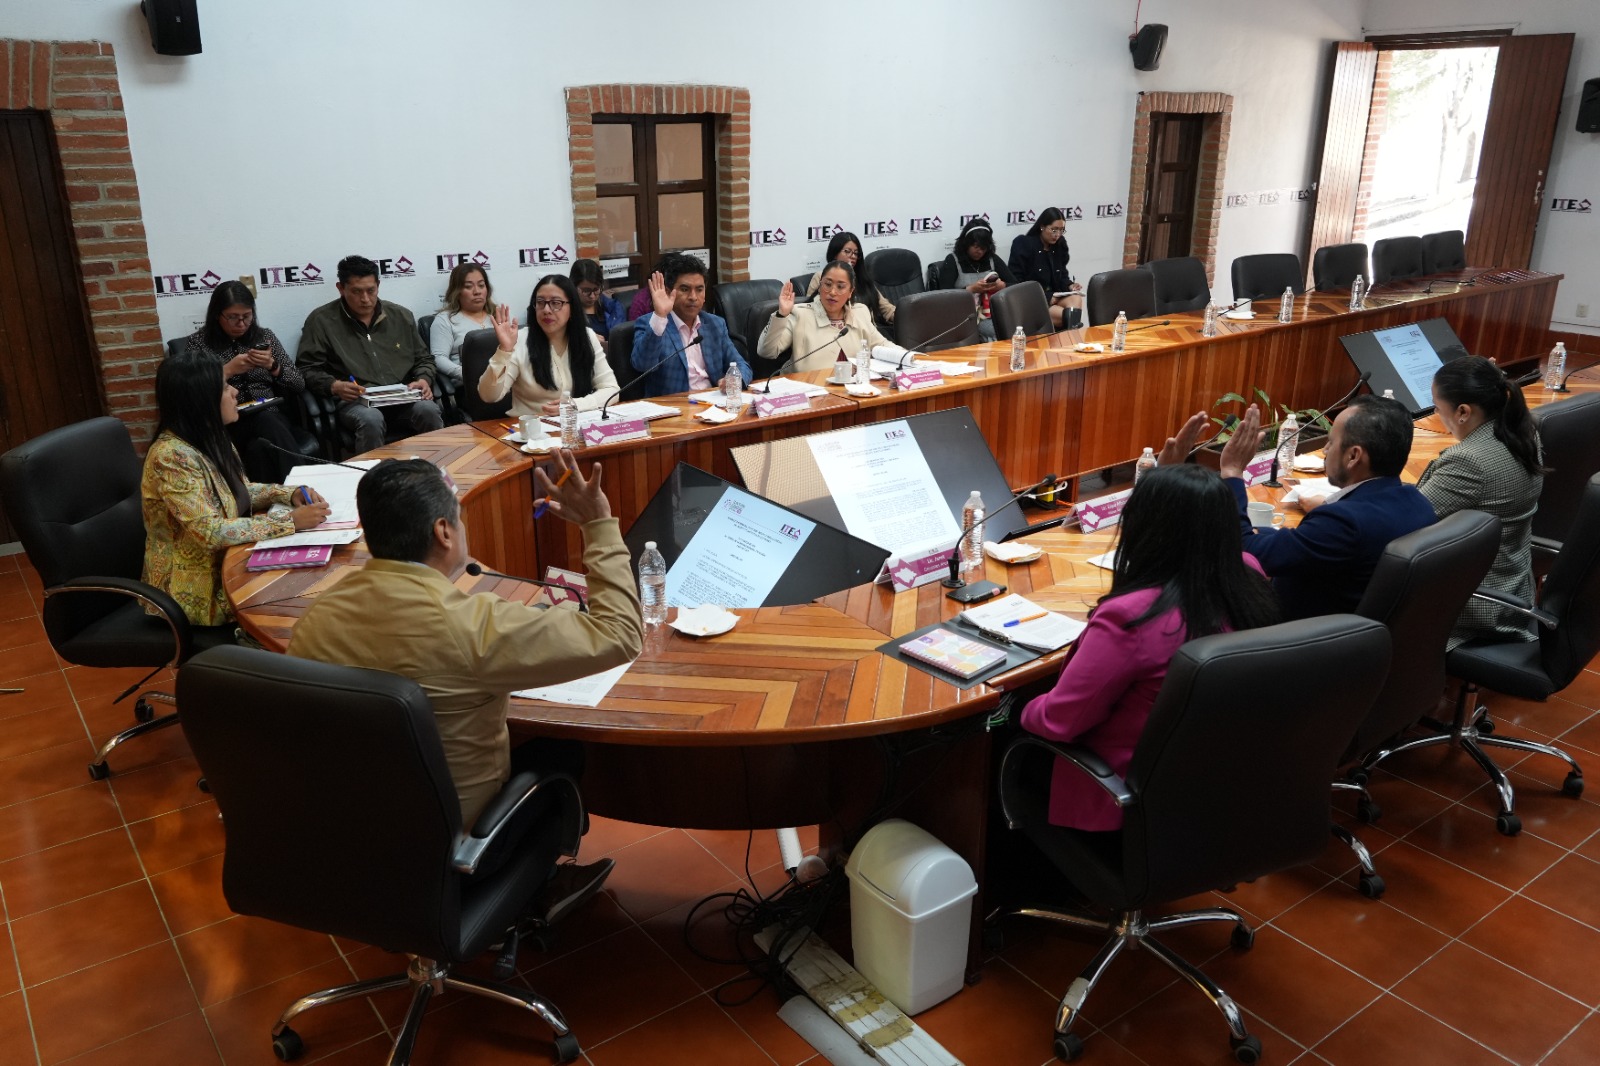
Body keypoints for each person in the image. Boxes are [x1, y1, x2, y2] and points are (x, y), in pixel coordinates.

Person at [287, 452, 640, 911]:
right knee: (560, 752)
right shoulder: (472, 626)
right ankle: (535, 890)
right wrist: (598, 524)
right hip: (459, 850)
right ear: (443, 531)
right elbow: (620, 633)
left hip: (353, 834)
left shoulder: (316, 617)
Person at [1020, 464, 1280, 830]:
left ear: (1144, 528)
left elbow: (1059, 722)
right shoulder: (1248, 572)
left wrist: (1022, 707)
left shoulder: (1131, 617)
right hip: (1210, 784)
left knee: (1003, 736)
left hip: (1123, 797)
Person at [1163, 396, 1436, 620]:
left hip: (1291, 647)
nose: (1326, 449)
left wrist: (1233, 472)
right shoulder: (1417, 503)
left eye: (1331, 441)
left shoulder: (1343, 523)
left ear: (1354, 456)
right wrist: (1268, 535)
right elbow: (1305, 545)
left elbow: (1243, 551)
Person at [141, 351, 329, 628]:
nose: (235, 393)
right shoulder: (171, 457)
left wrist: (286, 493)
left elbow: (239, 491)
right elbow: (209, 531)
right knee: (302, 611)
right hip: (196, 591)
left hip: (232, 562)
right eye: (226, 387)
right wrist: (289, 522)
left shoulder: (212, 437)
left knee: (313, 586)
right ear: (200, 401)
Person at [1418, 356, 1544, 648]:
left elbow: (1405, 522)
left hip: (1474, 606)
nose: (1437, 413)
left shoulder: (1468, 462)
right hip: (1512, 589)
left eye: (1437, 407)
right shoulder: (1523, 434)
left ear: (1463, 411)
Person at [298, 255, 443, 452]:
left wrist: (424, 378)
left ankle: (438, 473)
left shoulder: (400, 316)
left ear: (378, 285)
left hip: (402, 398)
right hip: (356, 401)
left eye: (370, 290)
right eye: (356, 292)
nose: (365, 299)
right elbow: (307, 368)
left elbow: (424, 359)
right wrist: (334, 386)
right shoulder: (321, 321)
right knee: (371, 419)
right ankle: (373, 479)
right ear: (341, 288)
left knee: (429, 410)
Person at [182, 280, 309, 483]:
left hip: (270, 414)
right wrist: (227, 370)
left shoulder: (264, 337)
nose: (241, 324)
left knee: (260, 440)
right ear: (217, 315)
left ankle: (294, 494)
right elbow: (192, 392)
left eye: (247, 317)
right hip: (228, 421)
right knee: (257, 448)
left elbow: (298, 384)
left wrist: (273, 366)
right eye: (233, 318)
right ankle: (302, 487)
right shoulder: (199, 343)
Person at [478, 275, 619, 417]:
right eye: (540, 302)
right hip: (531, 432)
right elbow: (489, 396)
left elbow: (611, 389)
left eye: (556, 303)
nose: (546, 310)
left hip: (573, 427)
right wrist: (504, 351)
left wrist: (575, 405)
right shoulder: (519, 340)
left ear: (572, 308)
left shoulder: (587, 337)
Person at [630, 253, 751, 397]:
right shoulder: (651, 323)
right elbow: (642, 365)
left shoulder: (715, 324)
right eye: (685, 289)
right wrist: (660, 316)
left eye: (699, 290)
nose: (693, 297)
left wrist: (736, 378)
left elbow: (742, 365)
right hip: (674, 410)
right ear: (669, 292)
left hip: (714, 404)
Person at [757, 260, 905, 372]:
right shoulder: (800, 314)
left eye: (840, 287)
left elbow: (882, 345)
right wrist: (782, 314)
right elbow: (767, 351)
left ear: (850, 292)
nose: (832, 292)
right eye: (827, 284)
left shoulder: (860, 313)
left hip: (851, 391)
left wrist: (912, 358)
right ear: (820, 286)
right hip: (808, 391)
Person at [935, 219, 1015, 340]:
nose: (980, 252)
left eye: (983, 248)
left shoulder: (992, 259)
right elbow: (943, 296)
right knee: (994, 330)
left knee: (1017, 326)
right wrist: (971, 289)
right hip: (964, 316)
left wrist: (1002, 286)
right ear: (966, 243)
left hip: (992, 312)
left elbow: (1015, 285)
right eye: (976, 246)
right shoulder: (953, 260)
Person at [1007, 208, 1081, 329]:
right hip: (1034, 300)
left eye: (1061, 230)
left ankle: (1069, 340)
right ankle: (1070, 341)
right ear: (1042, 227)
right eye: (1054, 230)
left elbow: (1062, 274)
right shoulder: (1024, 244)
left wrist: (1070, 286)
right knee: (1068, 317)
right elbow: (1017, 283)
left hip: (1056, 296)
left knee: (1075, 299)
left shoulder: (1060, 245)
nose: (1057, 235)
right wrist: (1047, 297)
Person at [801, 232, 896, 326]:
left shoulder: (862, 278)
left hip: (868, 332)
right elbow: (811, 309)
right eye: (847, 251)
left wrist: (903, 315)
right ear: (835, 253)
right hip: (835, 331)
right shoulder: (821, 276)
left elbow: (887, 309)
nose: (853, 256)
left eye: (856, 253)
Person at [429, 262, 498, 388]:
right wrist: (468, 374)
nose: (477, 291)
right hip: (469, 385)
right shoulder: (445, 320)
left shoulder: (498, 315)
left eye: (481, 285)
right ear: (457, 291)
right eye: (468, 287)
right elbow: (438, 358)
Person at [571, 258, 626, 342]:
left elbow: (621, 340)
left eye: (596, 290)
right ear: (573, 286)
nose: (592, 296)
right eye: (586, 291)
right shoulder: (565, 311)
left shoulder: (613, 308)